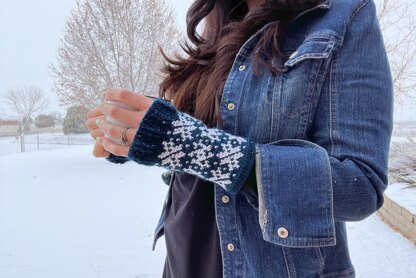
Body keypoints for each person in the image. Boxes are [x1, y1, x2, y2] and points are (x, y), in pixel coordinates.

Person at [85, 0, 394, 277]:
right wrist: (141, 132)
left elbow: (361, 185)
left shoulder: (345, 13)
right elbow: (203, 138)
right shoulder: (221, 23)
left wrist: (191, 146)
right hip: (184, 259)